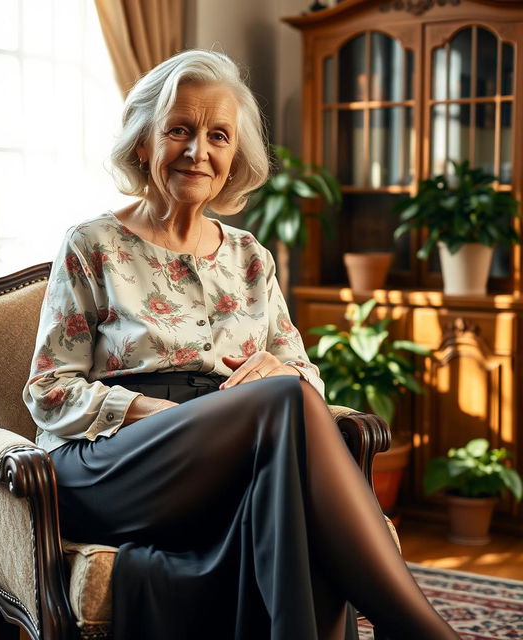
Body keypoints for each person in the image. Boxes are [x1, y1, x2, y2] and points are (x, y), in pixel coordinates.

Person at [23, 50, 459, 640]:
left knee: (290, 430)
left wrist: (280, 369)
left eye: (218, 136)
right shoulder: (93, 244)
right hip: (114, 461)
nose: (198, 151)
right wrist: (168, 413)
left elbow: (304, 372)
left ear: (233, 159)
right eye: (179, 129)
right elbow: (48, 392)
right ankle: (425, 633)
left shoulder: (250, 255)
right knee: (283, 402)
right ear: (144, 144)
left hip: (234, 448)